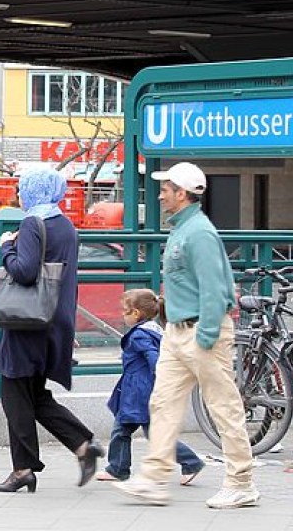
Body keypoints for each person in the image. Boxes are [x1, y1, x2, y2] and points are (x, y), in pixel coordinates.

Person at [114, 162, 259, 509]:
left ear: (182, 193)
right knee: (162, 403)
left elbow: (214, 287)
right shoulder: (185, 229)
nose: (161, 193)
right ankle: (153, 476)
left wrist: (206, 335)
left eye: (166, 189)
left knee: (223, 407)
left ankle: (241, 482)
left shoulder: (199, 233)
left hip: (199, 331)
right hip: (179, 332)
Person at [0, 167, 103, 494]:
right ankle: (83, 444)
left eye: (22, 189)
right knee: (34, 395)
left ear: (33, 191)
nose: (20, 195)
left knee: (14, 392)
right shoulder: (65, 225)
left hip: (27, 323)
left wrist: (6, 247)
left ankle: (23, 468)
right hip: (53, 320)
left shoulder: (31, 224)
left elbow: (24, 272)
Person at [96, 288, 204, 484]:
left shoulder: (139, 336)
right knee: (125, 429)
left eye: (124, 311)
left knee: (148, 432)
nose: (122, 314)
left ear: (136, 313)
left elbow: (153, 358)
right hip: (140, 390)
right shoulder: (154, 330)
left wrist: (159, 376)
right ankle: (117, 468)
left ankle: (190, 462)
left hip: (139, 392)